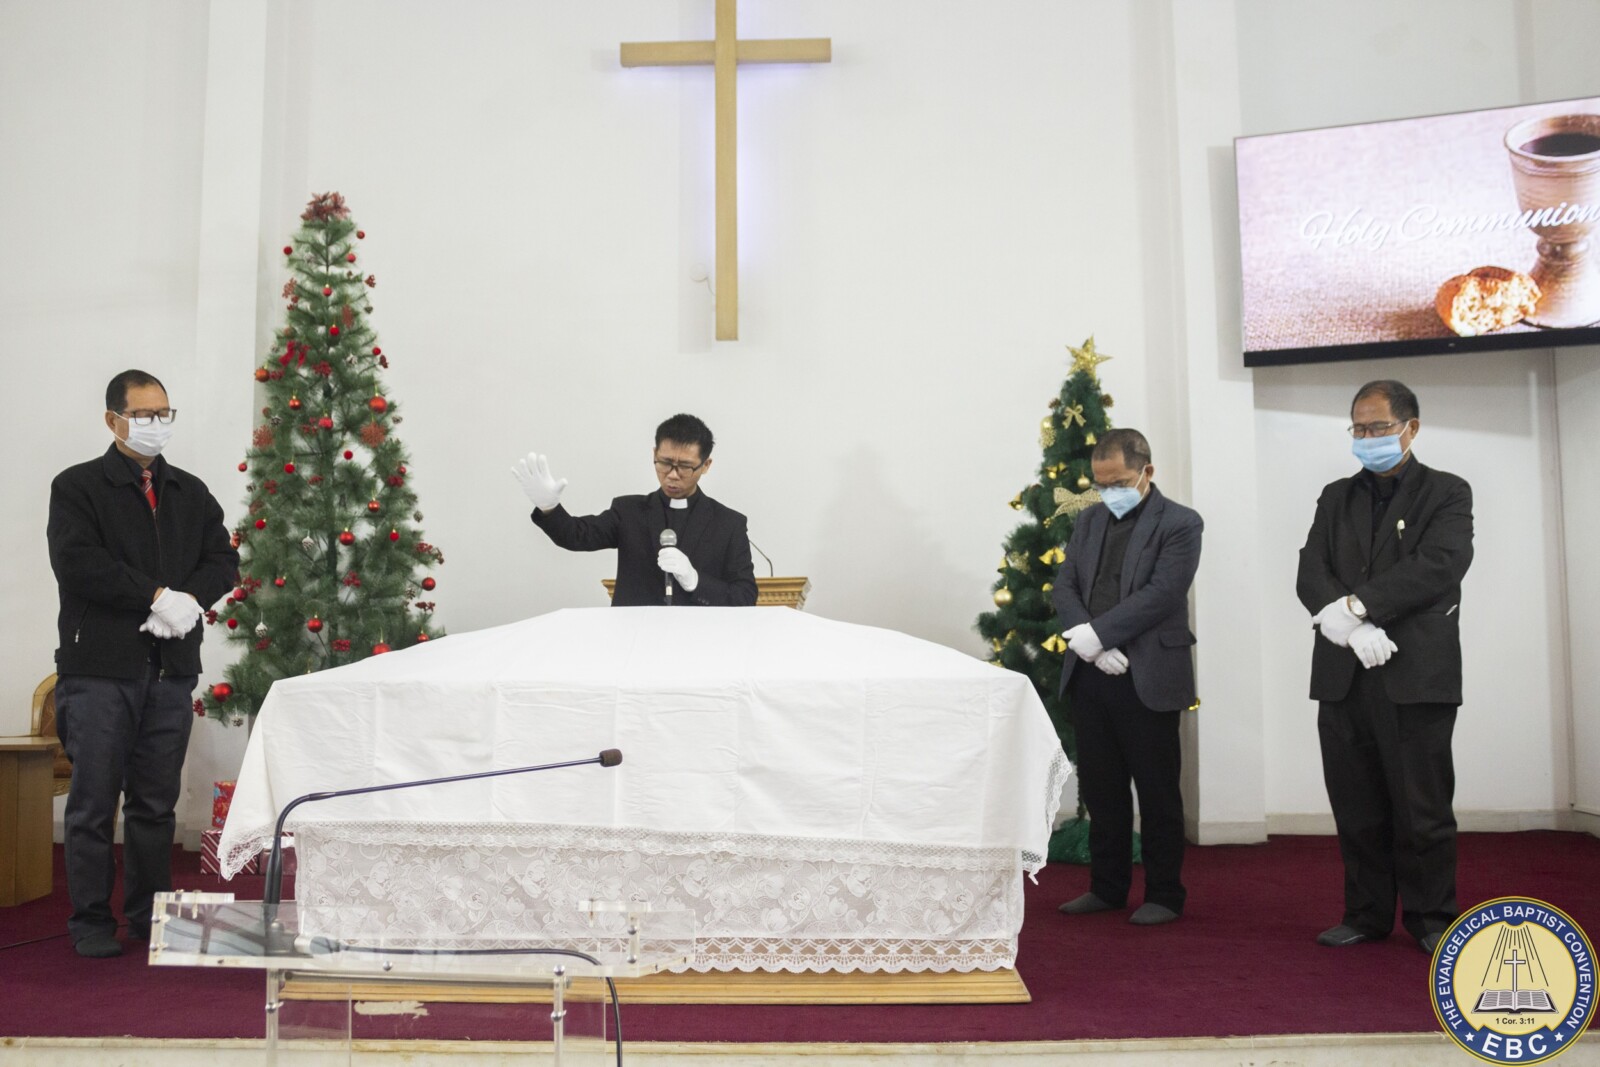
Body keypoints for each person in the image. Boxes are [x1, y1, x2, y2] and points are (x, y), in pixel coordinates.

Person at [47, 370, 238, 958]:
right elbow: (78, 562)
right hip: (99, 671)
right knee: (93, 803)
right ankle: (90, 922)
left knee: (155, 805)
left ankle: (150, 918)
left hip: (169, 670)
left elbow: (223, 559)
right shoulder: (78, 486)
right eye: (144, 415)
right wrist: (154, 597)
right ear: (114, 420)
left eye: (164, 413)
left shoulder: (189, 491)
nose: (157, 424)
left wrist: (188, 601)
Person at [1297, 380, 1473, 956]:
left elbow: (1439, 566)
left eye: (1378, 427)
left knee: (1421, 808)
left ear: (1410, 428)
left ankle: (1432, 918)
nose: (1366, 437)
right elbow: (1311, 570)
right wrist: (1353, 630)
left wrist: (1357, 608)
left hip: (1415, 673)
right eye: (1359, 428)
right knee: (1356, 805)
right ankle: (1366, 914)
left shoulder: (1447, 492)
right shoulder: (1335, 496)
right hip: (1343, 672)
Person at [1051, 429, 1204, 926]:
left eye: (1118, 482)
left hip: (1148, 673)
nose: (1108, 492)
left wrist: (1099, 635)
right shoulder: (1089, 520)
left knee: (1157, 790)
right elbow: (1065, 584)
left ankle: (1164, 894)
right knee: (1102, 789)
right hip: (1092, 671)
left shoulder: (1180, 523)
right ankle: (1107, 887)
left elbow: (1163, 592)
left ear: (1146, 472)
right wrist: (1090, 643)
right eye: (1100, 484)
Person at [514, 413, 758, 606]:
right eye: (664, 463)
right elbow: (576, 535)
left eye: (685, 466)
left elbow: (745, 596)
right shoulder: (629, 511)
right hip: (634, 639)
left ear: (706, 465)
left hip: (700, 641)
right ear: (654, 454)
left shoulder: (728, 524)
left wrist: (694, 580)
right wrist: (549, 508)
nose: (672, 475)